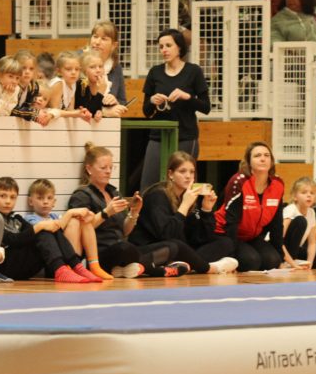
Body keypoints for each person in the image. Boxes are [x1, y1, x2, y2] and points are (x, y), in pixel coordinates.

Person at [68, 143, 187, 278]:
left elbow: (124, 230)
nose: (108, 171)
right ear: (89, 169)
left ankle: (123, 270)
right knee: (125, 248)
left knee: (172, 246)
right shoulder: (81, 195)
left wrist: (134, 213)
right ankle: (158, 270)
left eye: (110, 168)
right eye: (103, 168)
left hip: (121, 248)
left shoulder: (114, 192)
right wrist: (106, 213)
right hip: (99, 253)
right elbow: (80, 229)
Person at [131, 152, 239, 273]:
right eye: (182, 171)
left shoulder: (188, 195)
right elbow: (166, 234)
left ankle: (188, 265)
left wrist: (206, 210)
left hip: (181, 249)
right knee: (176, 245)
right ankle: (210, 268)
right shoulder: (157, 195)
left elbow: (199, 238)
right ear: (170, 174)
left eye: (192, 172)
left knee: (225, 242)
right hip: (154, 248)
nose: (188, 176)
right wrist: (184, 206)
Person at [0, 177, 98, 283]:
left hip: (24, 268)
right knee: (41, 228)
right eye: (3, 196)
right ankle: (62, 270)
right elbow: (12, 240)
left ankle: (75, 266)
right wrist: (40, 226)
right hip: (2, 266)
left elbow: (34, 233)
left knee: (46, 229)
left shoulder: (17, 218)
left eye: (12, 197)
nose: (8, 201)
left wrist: (43, 226)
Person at [140, 29, 210, 189]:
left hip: (185, 135)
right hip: (159, 136)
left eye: (168, 45)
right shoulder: (155, 72)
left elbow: (206, 107)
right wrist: (152, 101)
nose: (164, 49)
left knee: (183, 184)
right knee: (149, 185)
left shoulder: (193, 71)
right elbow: (146, 111)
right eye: (161, 46)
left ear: (179, 48)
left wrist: (187, 97)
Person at [214, 142, 287, 271]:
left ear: (272, 161)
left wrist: (281, 258)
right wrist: (231, 259)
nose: (263, 158)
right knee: (251, 262)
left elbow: (277, 224)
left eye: (267, 155)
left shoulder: (278, 184)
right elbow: (231, 223)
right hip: (226, 234)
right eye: (257, 155)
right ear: (249, 161)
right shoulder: (239, 182)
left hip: (252, 236)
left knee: (272, 260)